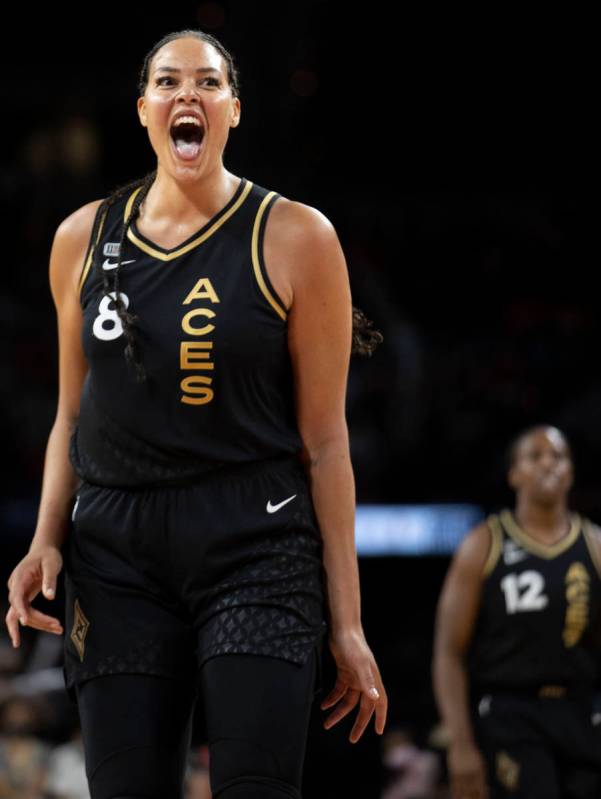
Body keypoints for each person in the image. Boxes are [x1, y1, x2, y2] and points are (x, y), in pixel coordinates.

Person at [5, 28, 388, 799]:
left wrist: (346, 622)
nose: (189, 95)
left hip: (255, 540)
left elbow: (325, 443)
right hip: (115, 550)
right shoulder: (81, 238)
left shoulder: (297, 235)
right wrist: (46, 539)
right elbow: (69, 414)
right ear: (144, 108)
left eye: (208, 83)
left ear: (233, 110)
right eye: (169, 82)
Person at [433, 424, 601, 799]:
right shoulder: (483, 544)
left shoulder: (594, 545)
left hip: (580, 711)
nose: (548, 464)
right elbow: (448, 654)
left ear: (571, 471)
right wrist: (460, 744)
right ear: (515, 474)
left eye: (558, 456)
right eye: (535, 456)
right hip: (509, 714)